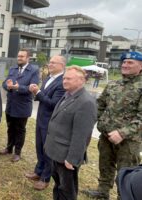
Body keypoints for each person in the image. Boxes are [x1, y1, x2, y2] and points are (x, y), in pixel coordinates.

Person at [83, 51, 142, 200]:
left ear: (140, 66)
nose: (125, 65)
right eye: (124, 62)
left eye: (130, 63)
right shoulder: (113, 84)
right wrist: (90, 123)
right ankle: (102, 192)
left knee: (126, 173)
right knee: (105, 165)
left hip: (129, 141)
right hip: (106, 136)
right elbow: (100, 105)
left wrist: (122, 133)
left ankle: (124, 197)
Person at [44, 66, 97, 200]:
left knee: (67, 191)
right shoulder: (68, 94)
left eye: (69, 78)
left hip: (66, 157)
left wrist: (72, 159)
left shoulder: (86, 102)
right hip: (56, 151)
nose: (64, 81)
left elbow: (82, 135)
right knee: (58, 185)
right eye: (64, 78)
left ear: (81, 80)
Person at [26, 55, 66, 190]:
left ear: (62, 65)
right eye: (50, 62)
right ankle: (38, 171)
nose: (50, 64)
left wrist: (38, 92)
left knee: (47, 150)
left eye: (54, 63)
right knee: (39, 147)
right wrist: (35, 91)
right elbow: (42, 96)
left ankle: (45, 178)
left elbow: (54, 104)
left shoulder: (62, 82)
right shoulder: (48, 78)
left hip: (50, 122)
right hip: (41, 119)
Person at [0, 48, 39, 162]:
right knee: (10, 128)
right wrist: (8, 86)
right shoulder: (13, 69)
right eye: (18, 56)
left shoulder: (34, 71)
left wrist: (18, 87)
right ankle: (9, 148)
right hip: (11, 105)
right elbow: (4, 83)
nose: (19, 58)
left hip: (22, 106)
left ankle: (17, 152)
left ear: (28, 58)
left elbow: (33, 87)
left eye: (22, 56)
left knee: (20, 130)